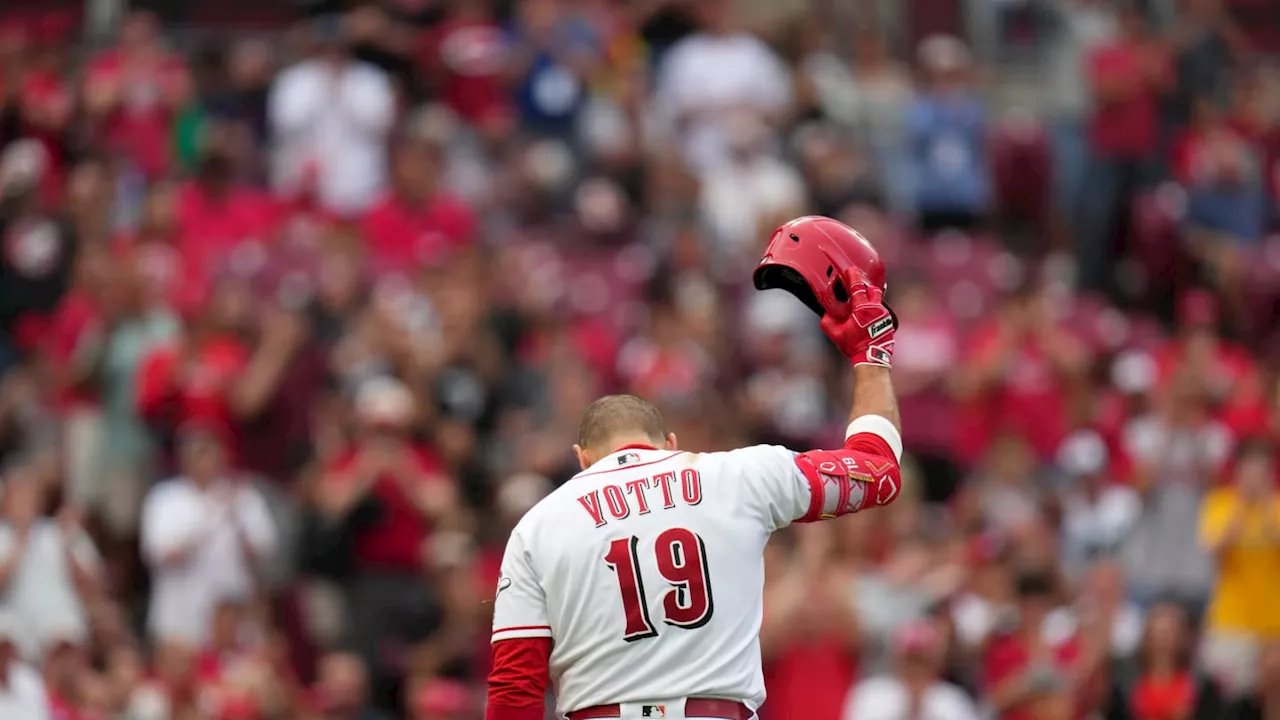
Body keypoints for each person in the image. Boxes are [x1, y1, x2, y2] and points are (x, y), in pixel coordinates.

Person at [485, 216, 905, 720]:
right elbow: (876, 472)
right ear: (670, 444)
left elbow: (514, 689)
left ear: (582, 460)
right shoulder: (737, 476)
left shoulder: (539, 525)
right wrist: (870, 353)